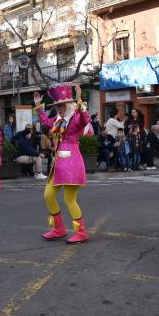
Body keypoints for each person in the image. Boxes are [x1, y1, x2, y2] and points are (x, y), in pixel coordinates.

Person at [35, 83, 91, 244]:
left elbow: (86, 118)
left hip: (72, 162)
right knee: (48, 195)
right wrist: (39, 106)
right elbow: (46, 121)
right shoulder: (59, 120)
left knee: (69, 200)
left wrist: (80, 99)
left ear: (68, 105)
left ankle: (81, 232)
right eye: (57, 106)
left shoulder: (76, 118)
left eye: (61, 105)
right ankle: (59, 229)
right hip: (58, 163)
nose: (59, 108)